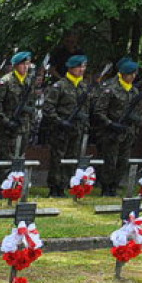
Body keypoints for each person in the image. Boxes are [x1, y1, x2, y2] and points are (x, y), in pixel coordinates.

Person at [93, 58, 142, 196]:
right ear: (123, 74)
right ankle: (106, 187)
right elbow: (99, 111)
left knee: (123, 161)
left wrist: (135, 128)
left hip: (128, 132)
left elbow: (138, 112)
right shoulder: (111, 89)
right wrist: (110, 124)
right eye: (130, 74)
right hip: (112, 132)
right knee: (110, 161)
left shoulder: (134, 91)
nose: (133, 76)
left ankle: (114, 185)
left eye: (134, 74)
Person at [42, 54, 89, 198]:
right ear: (71, 68)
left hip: (76, 129)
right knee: (58, 158)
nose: (82, 69)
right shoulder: (60, 86)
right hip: (61, 129)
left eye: (84, 67)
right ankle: (54, 188)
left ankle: (65, 185)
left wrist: (84, 123)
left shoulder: (83, 86)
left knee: (72, 158)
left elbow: (86, 109)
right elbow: (48, 108)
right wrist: (59, 121)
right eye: (79, 67)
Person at [0, 51, 34, 198]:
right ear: (16, 65)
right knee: (5, 159)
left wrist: (31, 122)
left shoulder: (28, 81)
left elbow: (32, 105)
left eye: (27, 64)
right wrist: (7, 121)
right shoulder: (6, 81)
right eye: (23, 64)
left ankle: (15, 187)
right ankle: (0, 190)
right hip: (8, 129)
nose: (26, 67)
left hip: (24, 127)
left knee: (19, 159)